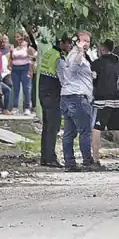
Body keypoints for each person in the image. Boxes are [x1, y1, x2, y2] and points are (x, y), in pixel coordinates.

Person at [58, 31, 97, 172]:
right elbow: (74, 68)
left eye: (87, 41)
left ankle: (70, 163)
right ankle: (87, 161)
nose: (85, 44)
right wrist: (80, 50)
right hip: (78, 96)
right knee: (85, 131)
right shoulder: (76, 54)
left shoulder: (81, 55)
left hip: (68, 95)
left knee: (69, 131)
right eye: (83, 41)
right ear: (76, 41)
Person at [91, 40, 119, 168]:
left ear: (103, 48)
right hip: (116, 100)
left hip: (101, 100)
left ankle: (96, 159)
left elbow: (93, 78)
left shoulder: (98, 63)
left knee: (96, 129)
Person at [38, 35, 71, 168]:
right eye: (68, 44)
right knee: (53, 127)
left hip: (43, 92)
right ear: (62, 43)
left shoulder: (49, 53)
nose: (70, 47)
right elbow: (64, 80)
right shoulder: (59, 58)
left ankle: (45, 157)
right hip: (53, 95)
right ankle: (50, 158)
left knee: (47, 127)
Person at [9, 32, 37, 115]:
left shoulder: (28, 47)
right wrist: (11, 53)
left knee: (27, 88)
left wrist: (31, 69)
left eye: (18, 37)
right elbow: (11, 58)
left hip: (25, 68)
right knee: (16, 88)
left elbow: (33, 59)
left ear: (23, 37)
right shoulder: (15, 48)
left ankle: (27, 107)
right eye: (16, 37)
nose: (17, 39)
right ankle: (15, 107)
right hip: (15, 68)